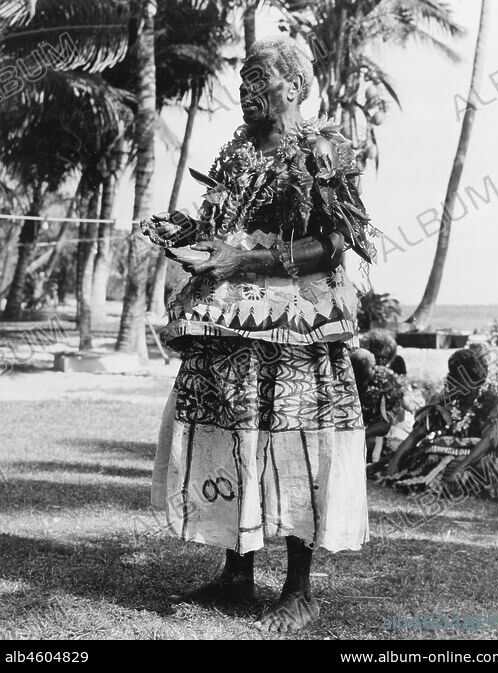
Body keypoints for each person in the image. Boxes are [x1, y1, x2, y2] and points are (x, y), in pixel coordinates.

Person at [142, 36, 377, 633]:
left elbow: (337, 242)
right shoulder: (232, 154)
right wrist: (186, 233)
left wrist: (246, 263)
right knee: (233, 433)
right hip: (230, 325)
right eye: (242, 82)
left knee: (294, 440)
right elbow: (226, 230)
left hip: (298, 328)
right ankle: (236, 573)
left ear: (292, 88)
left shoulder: (322, 150)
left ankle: (298, 590)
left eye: (257, 81)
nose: (245, 92)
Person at [384, 348, 498, 501]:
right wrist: (395, 461)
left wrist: (459, 468)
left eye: (466, 381)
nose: (459, 385)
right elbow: (418, 433)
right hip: (444, 453)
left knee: (478, 469)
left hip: (473, 458)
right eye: (457, 379)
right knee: (420, 461)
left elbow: (489, 441)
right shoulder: (446, 399)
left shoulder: (490, 401)